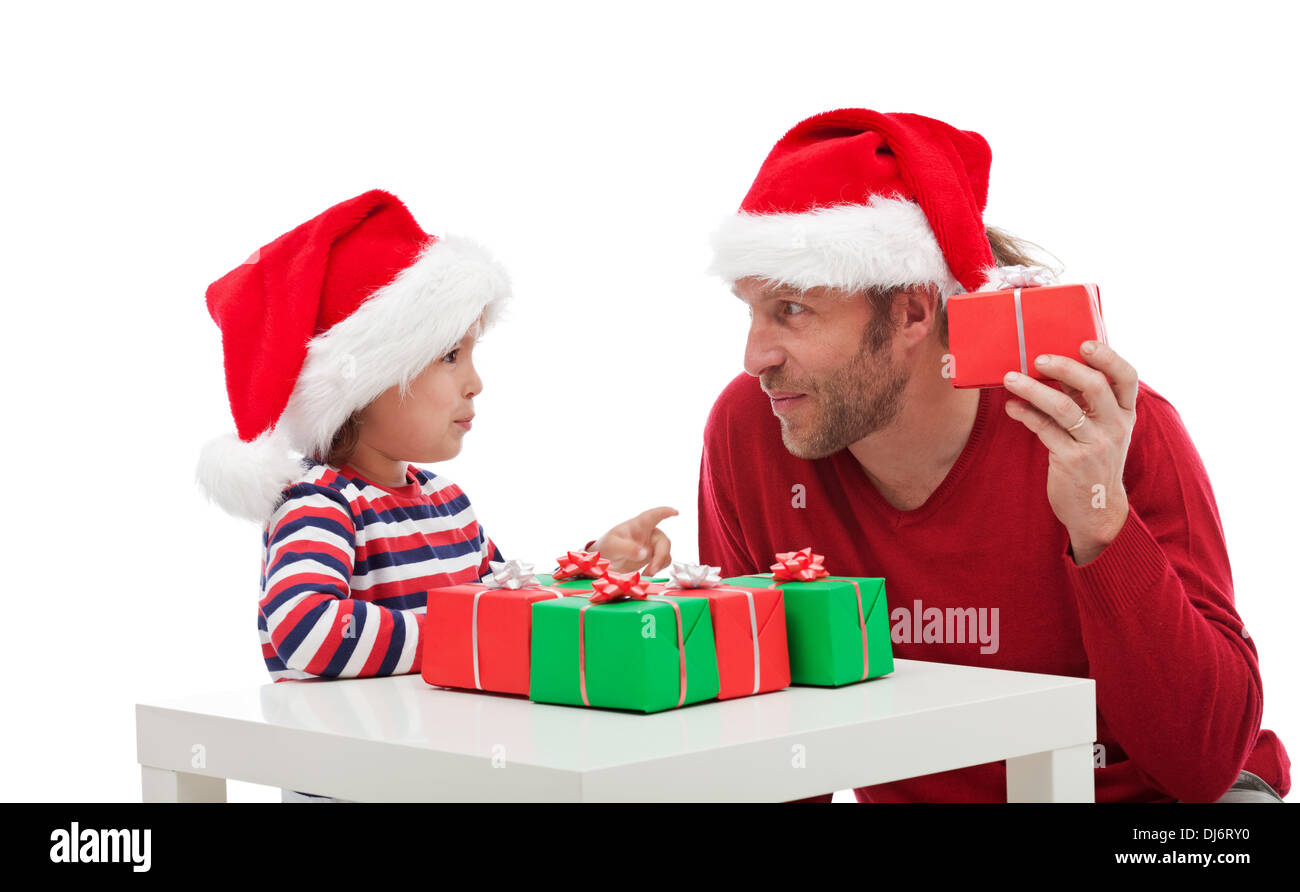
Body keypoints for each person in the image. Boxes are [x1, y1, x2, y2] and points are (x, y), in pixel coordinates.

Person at [697, 108, 1290, 803]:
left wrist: (1103, 531)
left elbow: (1203, 762)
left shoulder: (1102, 431)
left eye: (792, 309)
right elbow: (777, 734)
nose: (756, 356)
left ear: (913, 313)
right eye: (752, 312)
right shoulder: (754, 428)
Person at [197, 189, 675, 801]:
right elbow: (306, 629)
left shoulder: (446, 502)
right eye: (451, 356)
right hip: (356, 784)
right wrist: (462, 634)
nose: (476, 382)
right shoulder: (319, 504)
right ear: (367, 380)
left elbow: (511, 605)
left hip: (443, 772)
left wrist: (596, 567)